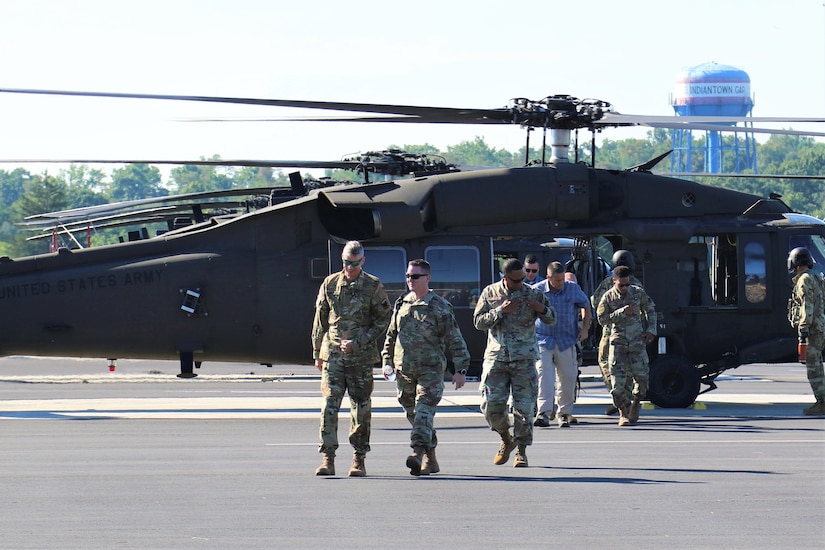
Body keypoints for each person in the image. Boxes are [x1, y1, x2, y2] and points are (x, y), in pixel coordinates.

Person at [382, 259, 471, 476]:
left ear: (427, 278)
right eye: (407, 276)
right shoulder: (401, 303)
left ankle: (417, 454)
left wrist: (461, 370)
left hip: (430, 371)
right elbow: (391, 335)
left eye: (415, 276)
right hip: (404, 370)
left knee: (423, 412)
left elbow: (455, 339)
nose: (409, 280)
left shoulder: (439, 307)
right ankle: (431, 458)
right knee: (412, 411)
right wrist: (386, 361)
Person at [311, 241, 391, 477]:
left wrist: (359, 342)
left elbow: (383, 320)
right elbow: (320, 319)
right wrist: (317, 352)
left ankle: (359, 458)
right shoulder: (330, 283)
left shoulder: (373, 286)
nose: (349, 267)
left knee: (360, 407)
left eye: (354, 263)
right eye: (346, 262)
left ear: (362, 261)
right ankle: (328, 457)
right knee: (329, 405)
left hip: (360, 357)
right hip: (333, 355)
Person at [474, 258, 556, 467]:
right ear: (505, 278)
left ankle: (521, 450)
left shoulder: (533, 294)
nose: (522, 283)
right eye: (517, 280)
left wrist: (542, 309)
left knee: (525, 408)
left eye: (523, 279)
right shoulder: (490, 293)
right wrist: (501, 311)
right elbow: (478, 322)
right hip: (497, 358)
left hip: (524, 359)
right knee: (490, 405)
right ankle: (505, 438)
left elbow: (552, 318)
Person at [596, 265, 657, 426]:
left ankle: (636, 402)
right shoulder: (607, 297)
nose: (624, 288)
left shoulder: (637, 293)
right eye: (621, 285)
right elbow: (601, 319)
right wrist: (620, 313)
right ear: (614, 281)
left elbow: (650, 309)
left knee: (642, 378)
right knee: (617, 385)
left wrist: (651, 330)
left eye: (626, 284)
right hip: (618, 343)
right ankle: (623, 413)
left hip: (637, 342)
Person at [534, 262, 592, 428]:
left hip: (566, 340)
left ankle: (564, 413)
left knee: (567, 377)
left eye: (562, 279)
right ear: (548, 278)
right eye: (557, 280)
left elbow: (586, 305)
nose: (560, 283)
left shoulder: (572, 289)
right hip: (543, 339)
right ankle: (543, 413)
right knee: (544, 376)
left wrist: (585, 329)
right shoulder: (537, 291)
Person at [591, 250, 642, 415]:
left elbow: (596, 303)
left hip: (610, 331)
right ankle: (622, 399)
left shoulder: (608, 283)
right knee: (625, 368)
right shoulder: (637, 285)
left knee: (606, 364)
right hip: (631, 332)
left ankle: (620, 398)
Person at [787, 247, 825, 415]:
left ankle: (822, 401)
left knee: (812, 366)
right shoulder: (815, 277)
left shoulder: (804, 280)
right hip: (819, 325)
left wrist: (803, 327)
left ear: (795, 262)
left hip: (813, 327)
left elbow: (806, 305)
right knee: (817, 363)